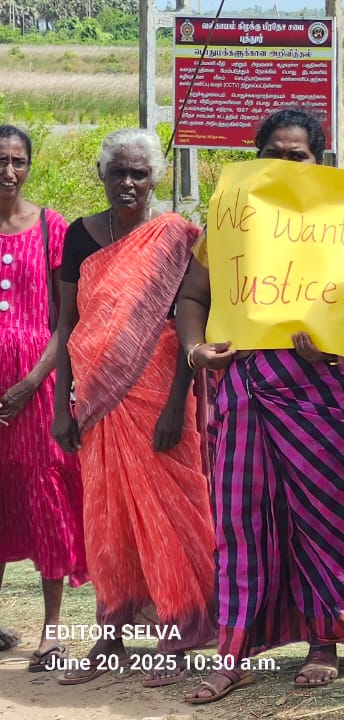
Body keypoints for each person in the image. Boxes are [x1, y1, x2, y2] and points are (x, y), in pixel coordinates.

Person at [177, 108, 344, 704]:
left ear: (320, 160)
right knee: (241, 519)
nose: (285, 163)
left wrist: (335, 340)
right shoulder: (231, 218)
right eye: (273, 153)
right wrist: (196, 349)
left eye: (296, 155)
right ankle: (233, 651)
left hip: (328, 386)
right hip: (246, 388)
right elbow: (193, 296)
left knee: (327, 513)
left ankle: (326, 639)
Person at [50, 128, 216, 686]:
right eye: (118, 172)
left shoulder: (173, 237)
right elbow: (67, 325)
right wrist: (61, 405)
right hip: (96, 402)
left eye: (139, 174)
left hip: (158, 398)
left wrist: (179, 404)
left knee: (171, 514)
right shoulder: (79, 237)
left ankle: (176, 637)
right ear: (101, 175)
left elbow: (185, 326)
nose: (127, 183)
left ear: (155, 180)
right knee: (108, 519)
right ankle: (111, 633)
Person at [0, 124, 88, 672]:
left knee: (46, 499)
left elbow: (66, 319)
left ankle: (52, 633)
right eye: (0, 160)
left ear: (30, 166)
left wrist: (33, 381)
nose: (8, 171)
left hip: (37, 385)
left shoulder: (51, 227)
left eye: (18, 161)